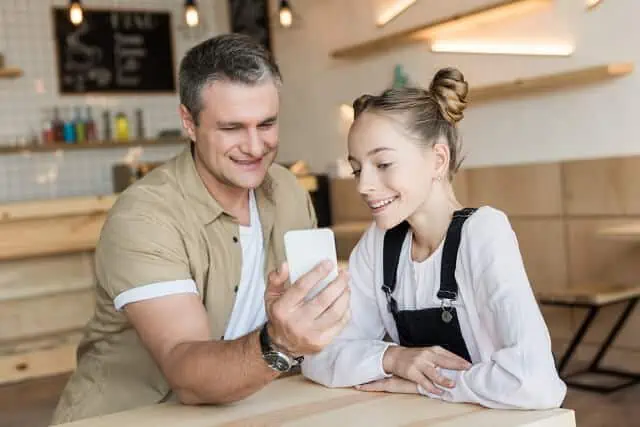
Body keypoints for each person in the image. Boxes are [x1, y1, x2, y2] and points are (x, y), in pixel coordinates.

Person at [51, 33, 350, 424]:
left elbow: (319, 318)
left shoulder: (289, 192)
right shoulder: (144, 218)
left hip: (242, 408)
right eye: (231, 128)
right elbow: (185, 368)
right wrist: (279, 342)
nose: (255, 146)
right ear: (189, 123)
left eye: (267, 123)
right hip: (128, 417)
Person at [301, 68, 567, 410]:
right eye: (357, 168)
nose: (363, 185)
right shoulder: (380, 243)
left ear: (438, 160)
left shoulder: (484, 232)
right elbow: (319, 357)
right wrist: (395, 359)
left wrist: (427, 385)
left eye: (382, 164)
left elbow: (536, 384)